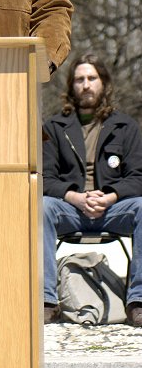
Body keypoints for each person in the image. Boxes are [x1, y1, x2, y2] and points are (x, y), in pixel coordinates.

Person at [42, 53, 142, 326]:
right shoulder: (53, 127)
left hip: (112, 210)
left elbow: (137, 177)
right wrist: (76, 197)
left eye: (92, 78)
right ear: (71, 87)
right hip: (71, 210)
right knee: (42, 207)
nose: (86, 85)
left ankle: (138, 301)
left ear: (103, 83)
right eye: (79, 79)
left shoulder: (126, 127)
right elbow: (45, 178)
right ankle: (47, 301)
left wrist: (109, 197)